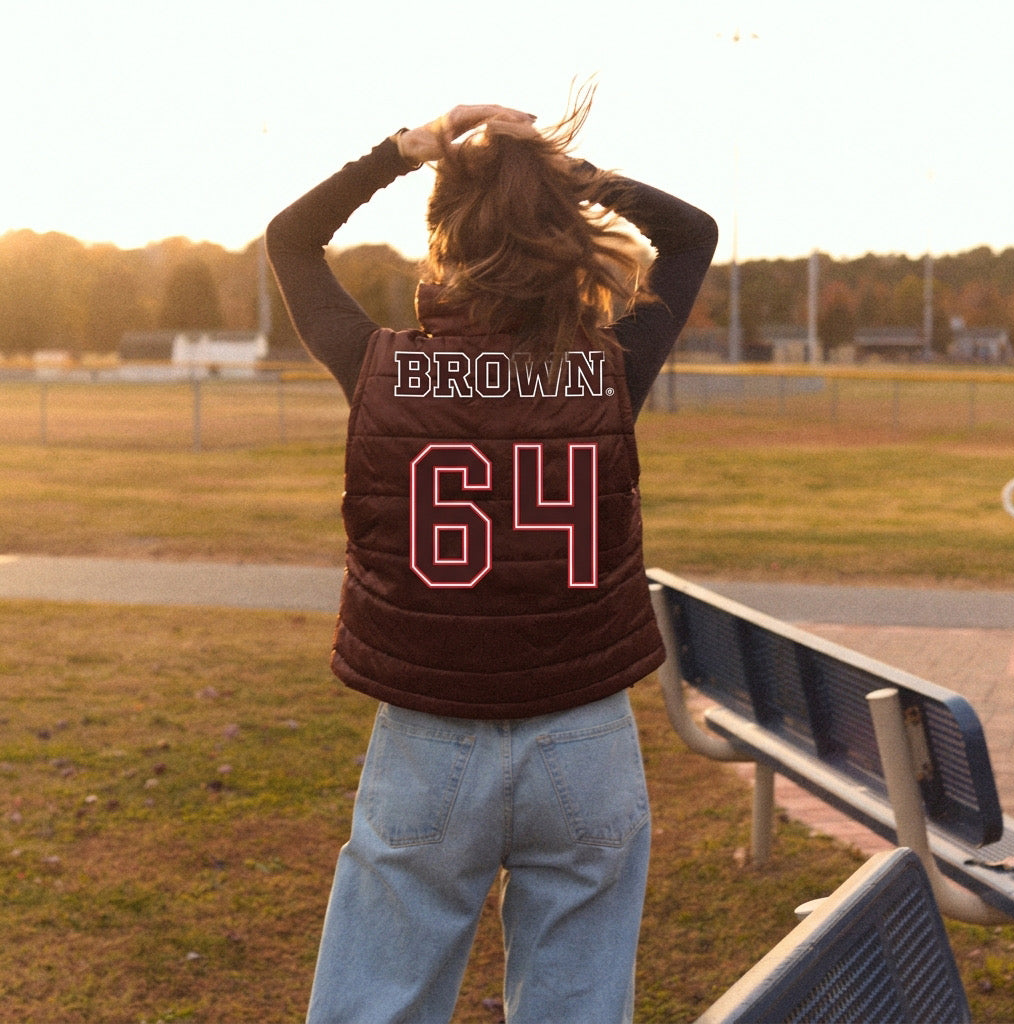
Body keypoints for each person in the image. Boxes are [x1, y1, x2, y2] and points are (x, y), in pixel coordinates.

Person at [266, 89, 718, 1024]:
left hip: (429, 730)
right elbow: (692, 235)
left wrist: (408, 149)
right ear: (562, 232)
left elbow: (291, 240)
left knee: (376, 1006)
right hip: (585, 730)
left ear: (442, 239)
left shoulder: (379, 364)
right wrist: (559, 174)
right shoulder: (605, 369)